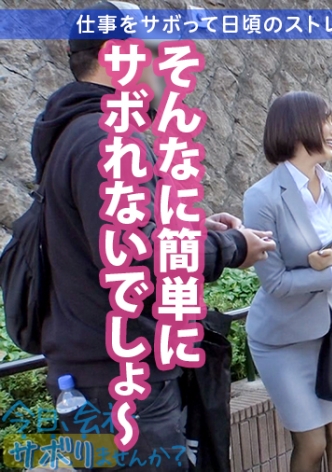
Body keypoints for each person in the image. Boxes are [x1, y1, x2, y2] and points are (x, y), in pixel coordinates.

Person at [36, 2, 276, 471]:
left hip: (96, 377)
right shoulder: (105, 140)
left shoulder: (73, 134)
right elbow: (139, 256)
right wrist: (233, 247)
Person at [243, 91, 332, 472]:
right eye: (327, 121)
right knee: (312, 442)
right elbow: (276, 282)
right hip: (281, 339)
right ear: (298, 128)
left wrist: (329, 260)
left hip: (328, 332)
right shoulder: (262, 197)